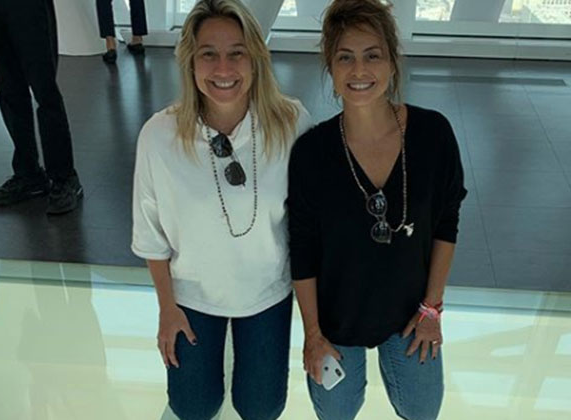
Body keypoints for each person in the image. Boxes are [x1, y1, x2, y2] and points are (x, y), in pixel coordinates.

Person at [287, 1, 468, 419]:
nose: (359, 70)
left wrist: (432, 308)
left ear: (392, 61)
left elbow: (446, 222)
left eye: (372, 55)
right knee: (336, 412)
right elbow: (302, 250)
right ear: (330, 67)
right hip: (336, 321)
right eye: (345, 57)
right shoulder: (312, 152)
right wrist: (312, 334)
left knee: (422, 410)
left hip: (411, 315)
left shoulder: (433, 134)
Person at [131, 1, 311, 419]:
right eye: (208, 54)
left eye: (236, 52)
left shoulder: (291, 123)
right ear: (190, 62)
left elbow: (309, 225)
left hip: (266, 293)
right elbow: (150, 235)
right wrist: (167, 309)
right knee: (192, 406)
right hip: (191, 296)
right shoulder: (158, 136)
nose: (223, 68)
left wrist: (314, 320)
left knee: (262, 407)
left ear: (255, 58)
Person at [0, 0, 83, 215]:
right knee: (9, 93)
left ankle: (64, 177)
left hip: (30, 7)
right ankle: (29, 175)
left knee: (45, 93)